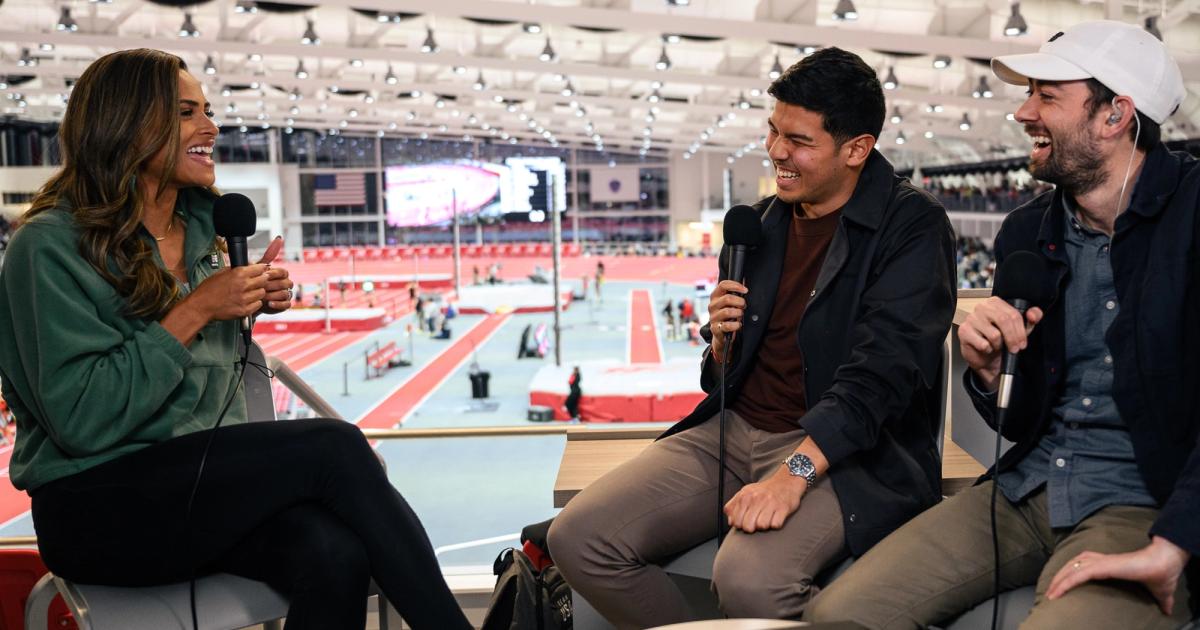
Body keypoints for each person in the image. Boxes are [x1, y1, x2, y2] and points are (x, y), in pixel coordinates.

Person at [0, 49, 470, 630]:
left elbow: (199, 385)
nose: (211, 128)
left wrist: (244, 304)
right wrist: (198, 308)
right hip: (96, 505)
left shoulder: (208, 230)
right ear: (125, 123)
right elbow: (81, 419)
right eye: (186, 113)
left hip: (195, 489)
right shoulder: (46, 248)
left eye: (209, 110)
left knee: (334, 553)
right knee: (335, 448)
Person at [809, 21, 1198, 630]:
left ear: (1115, 114)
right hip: (1026, 488)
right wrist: (991, 375)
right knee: (840, 614)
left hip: (1148, 502)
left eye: (1046, 96)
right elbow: (1020, 420)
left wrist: (1177, 542)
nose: (1022, 112)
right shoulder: (1027, 231)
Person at [548, 47, 957, 627]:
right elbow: (723, 376)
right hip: (731, 428)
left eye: (798, 140)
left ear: (857, 149)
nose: (775, 152)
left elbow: (885, 374)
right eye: (772, 131)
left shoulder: (912, 227)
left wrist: (794, 474)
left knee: (747, 579)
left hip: (845, 450)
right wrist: (720, 346)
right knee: (580, 538)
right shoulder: (758, 224)